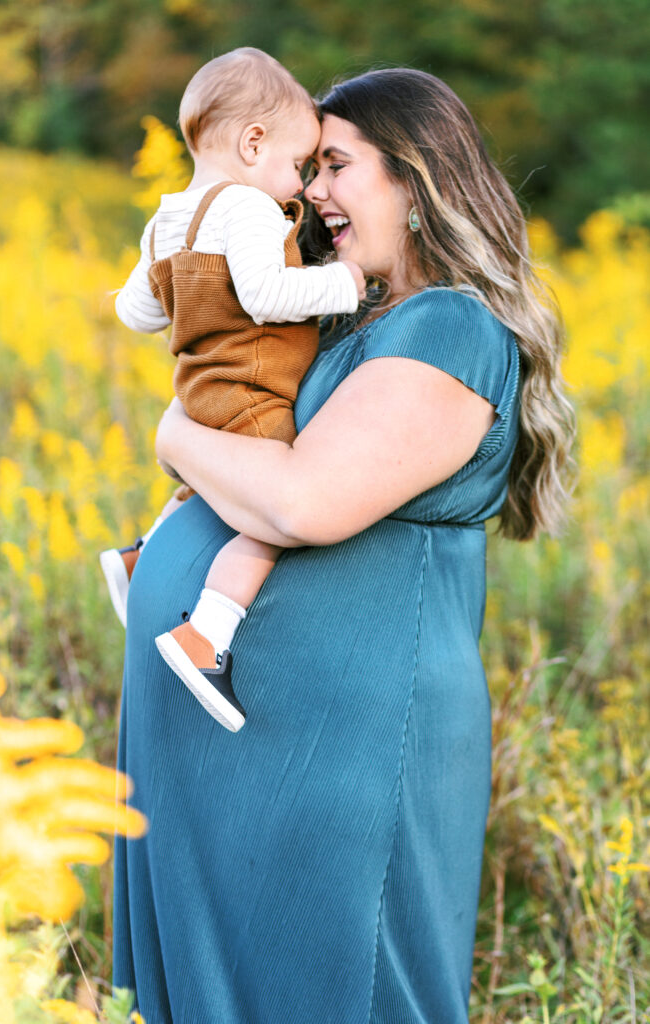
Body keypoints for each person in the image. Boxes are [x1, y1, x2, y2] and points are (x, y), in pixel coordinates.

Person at [113, 66, 573, 1023]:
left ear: (413, 181)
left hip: (341, 752)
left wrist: (172, 435)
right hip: (239, 745)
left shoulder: (446, 327)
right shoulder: (341, 320)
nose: (310, 190)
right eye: (307, 166)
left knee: (338, 983)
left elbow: (303, 505)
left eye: (334, 165)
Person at [101, 48, 365, 731]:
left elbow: (137, 313)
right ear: (253, 143)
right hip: (251, 383)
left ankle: (140, 557)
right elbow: (265, 293)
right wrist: (344, 283)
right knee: (271, 514)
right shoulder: (246, 208)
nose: (299, 187)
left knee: (211, 480)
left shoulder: (165, 220)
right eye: (296, 165)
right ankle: (208, 635)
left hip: (198, 387)